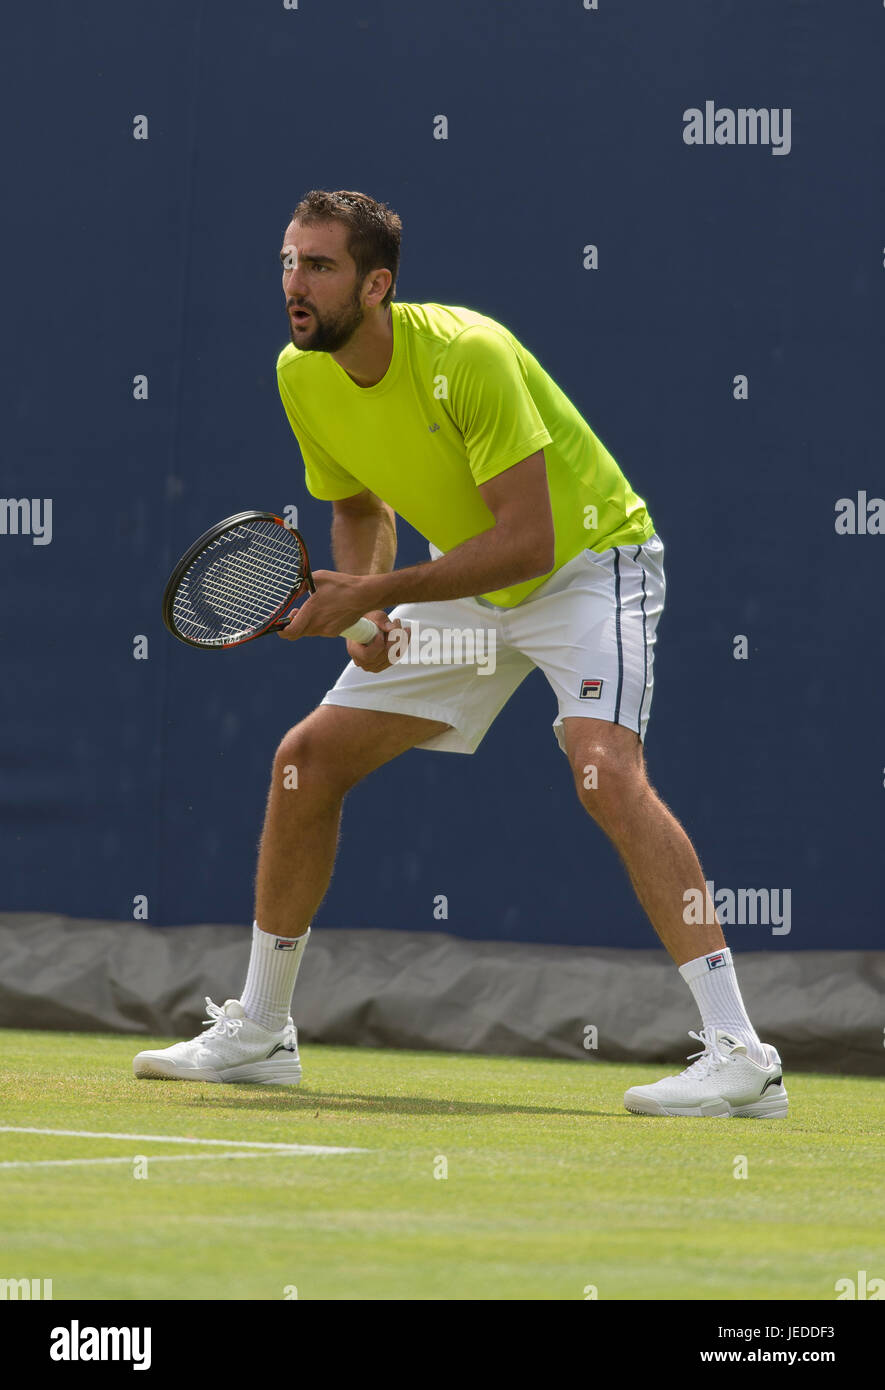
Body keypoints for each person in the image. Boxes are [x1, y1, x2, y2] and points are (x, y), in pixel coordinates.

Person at [134, 190, 787, 1119]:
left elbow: (527, 541)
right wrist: (365, 621)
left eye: (318, 266)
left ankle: (739, 1053)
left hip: (587, 567)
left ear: (377, 282)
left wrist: (373, 594)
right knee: (305, 763)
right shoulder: (299, 373)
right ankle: (260, 1031)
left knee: (602, 771)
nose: (294, 283)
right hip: (466, 590)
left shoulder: (467, 354)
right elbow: (358, 506)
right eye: (286, 262)